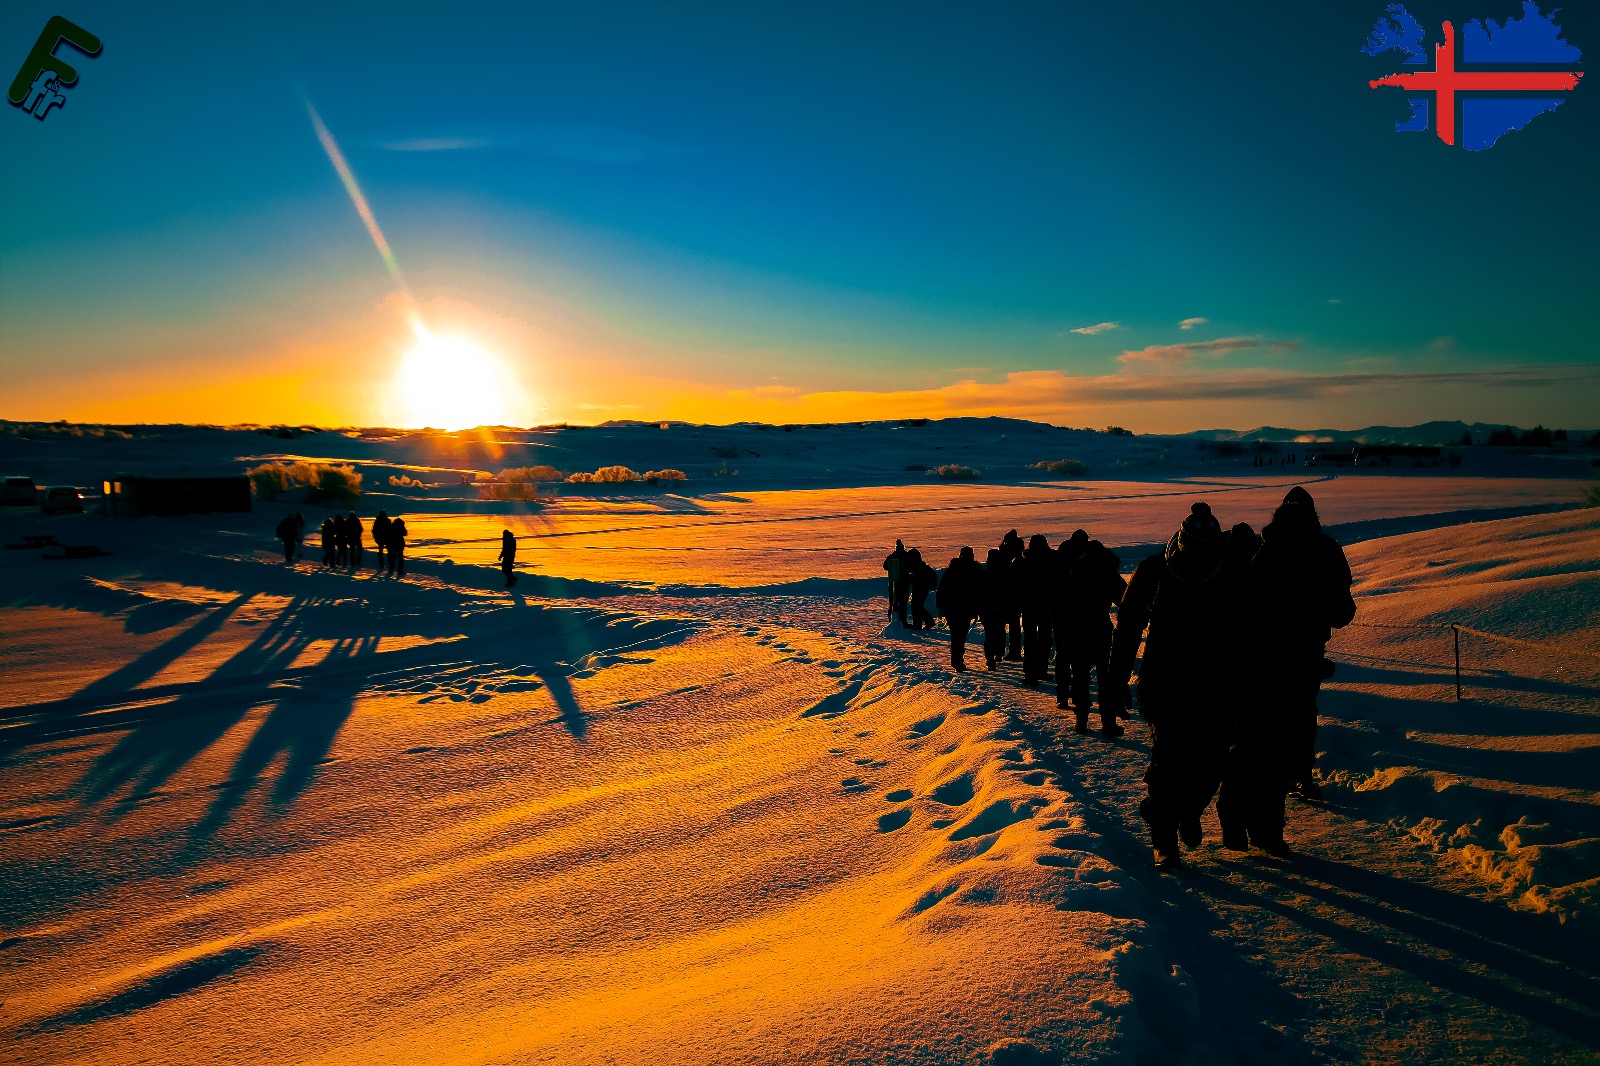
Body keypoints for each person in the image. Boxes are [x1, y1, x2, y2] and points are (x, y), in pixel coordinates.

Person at [1217, 488, 1355, 853]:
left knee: (1250, 741)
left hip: (1256, 660)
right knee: (1282, 742)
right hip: (1299, 660)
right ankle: (1267, 829)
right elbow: (1343, 612)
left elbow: (1241, 604)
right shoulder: (1326, 550)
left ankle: (1235, 818)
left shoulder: (1266, 549)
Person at [1110, 501, 1247, 868]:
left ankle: (1186, 810)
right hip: (1166, 683)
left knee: (1211, 763)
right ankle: (1164, 838)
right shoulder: (1155, 571)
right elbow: (1127, 628)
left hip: (1218, 685)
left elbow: (1256, 629)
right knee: (1168, 762)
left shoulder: (1234, 569)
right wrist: (1116, 678)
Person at [1061, 538, 1127, 736]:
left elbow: (1063, 600)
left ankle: (1082, 719)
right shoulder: (1109, 574)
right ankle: (1108, 723)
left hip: (1078, 628)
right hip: (1100, 628)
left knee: (1080, 675)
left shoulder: (1075, 572)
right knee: (1104, 677)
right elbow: (1124, 598)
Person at [936, 547, 983, 671]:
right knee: (960, 635)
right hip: (964, 608)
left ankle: (956, 659)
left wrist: (940, 606)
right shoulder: (975, 570)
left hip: (953, 608)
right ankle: (957, 660)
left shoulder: (953, 569)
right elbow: (980, 591)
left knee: (957, 634)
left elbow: (941, 588)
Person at [1018, 534, 1055, 685]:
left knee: (1031, 641)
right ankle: (1041, 669)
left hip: (1030, 606)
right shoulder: (1052, 559)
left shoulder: (1024, 561)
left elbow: (1017, 583)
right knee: (1044, 639)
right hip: (1046, 605)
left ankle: (1030, 673)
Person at [997, 530, 1025, 660]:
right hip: (1017, 594)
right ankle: (1014, 650)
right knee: (1014, 625)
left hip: (1008, 594)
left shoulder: (1006, 552)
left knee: (1005, 624)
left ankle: (1005, 651)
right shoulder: (1020, 552)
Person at [979, 549, 1009, 670]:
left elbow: (979, 593)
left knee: (990, 634)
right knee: (1000, 632)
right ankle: (999, 653)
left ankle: (990, 658)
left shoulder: (984, 575)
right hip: (1001, 608)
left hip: (987, 609)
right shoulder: (1004, 574)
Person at [907, 548, 937, 630]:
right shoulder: (920, 566)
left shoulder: (919, 567)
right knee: (916, 606)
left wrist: (911, 577)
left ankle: (926, 623)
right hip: (921, 588)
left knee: (917, 606)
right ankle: (920, 624)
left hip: (921, 589)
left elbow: (919, 577)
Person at [883, 539, 910, 627]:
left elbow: (885, 566)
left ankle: (894, 621)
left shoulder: (892, 556)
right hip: (901, 583)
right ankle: (901, 621)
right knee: (902, 602)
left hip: (895, 582)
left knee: (894, 602)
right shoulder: (906, 556)